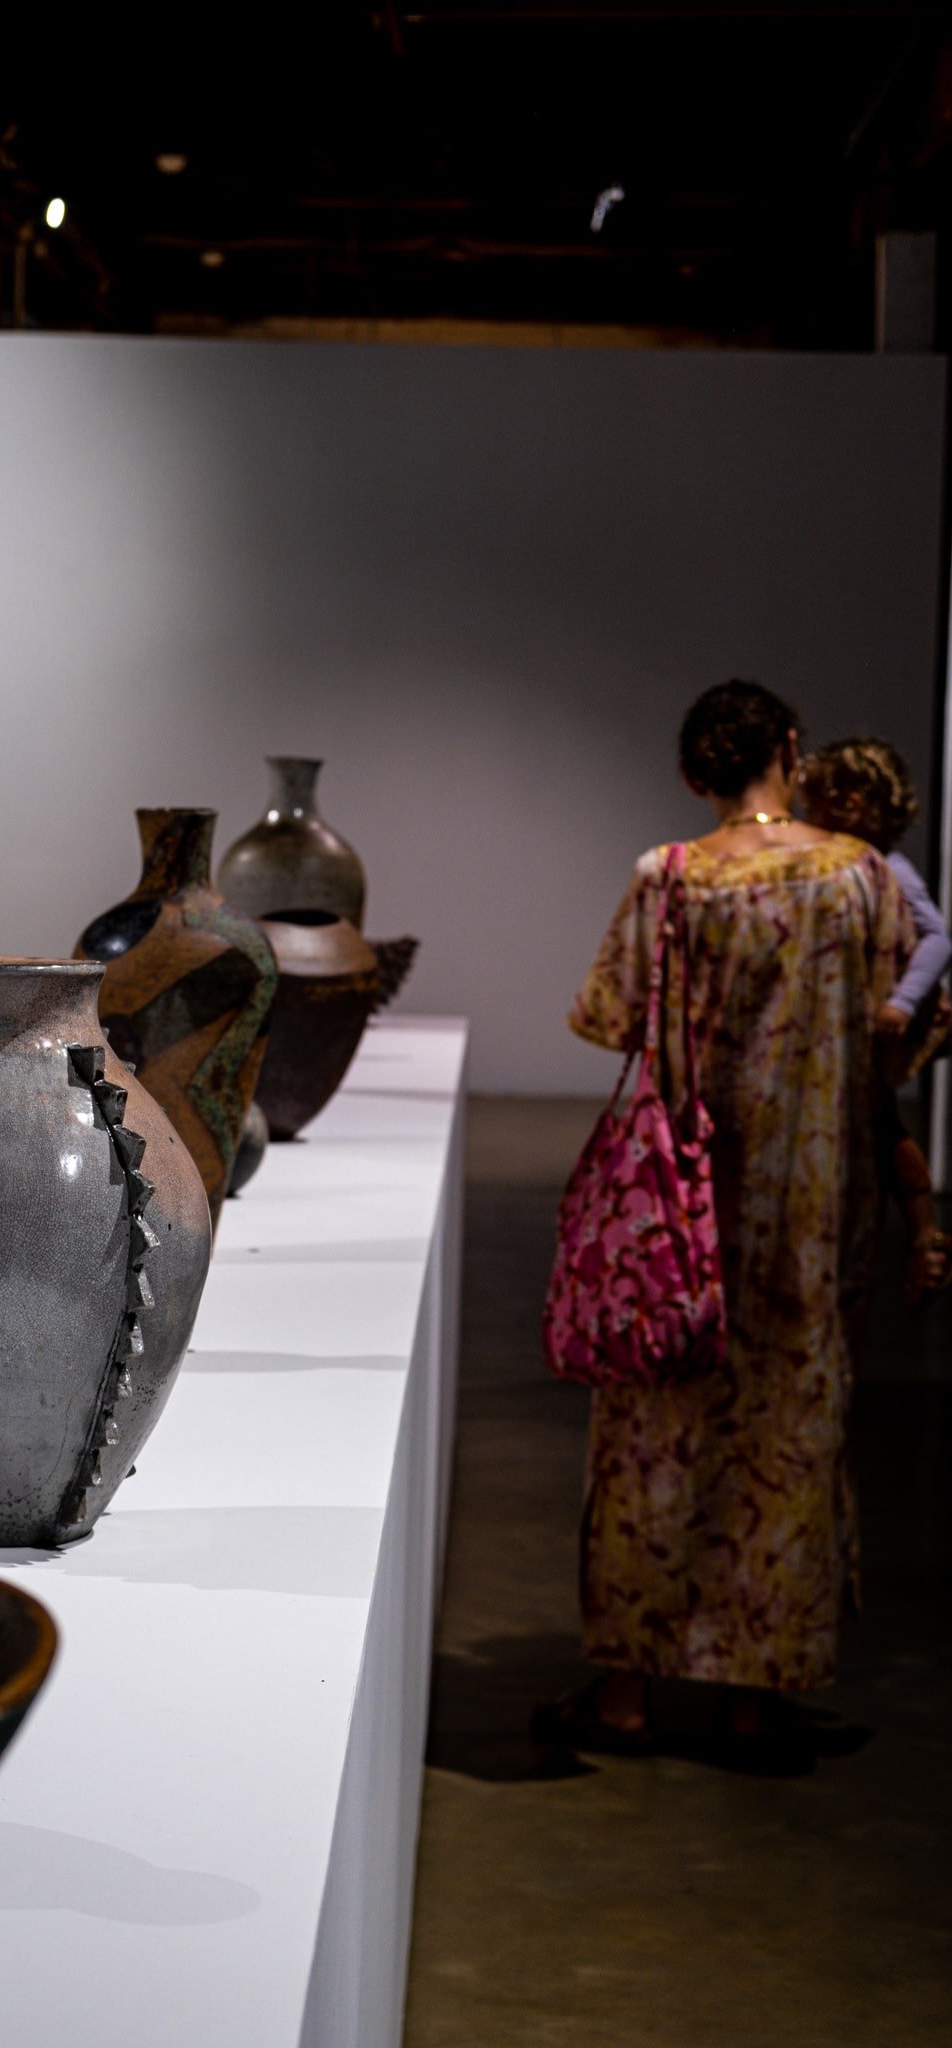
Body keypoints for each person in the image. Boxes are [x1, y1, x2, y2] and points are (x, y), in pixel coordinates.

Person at [550, 680, 914, 1770]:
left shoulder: (669, 877)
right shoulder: (853, 876)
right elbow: (902, 1009)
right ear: (791, 752)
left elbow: (606, 1016)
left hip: (681, 1201)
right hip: (807, 1205)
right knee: (787, 1431)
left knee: (655, 1427)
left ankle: (625, 1688)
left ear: (691, 774)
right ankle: (755, 1699)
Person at [800, 736, 952, 1304]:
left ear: (852, 804)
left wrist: (904, 1000)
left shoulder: (890, 869)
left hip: (881, 1024)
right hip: (855, 1025)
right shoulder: (851, 869)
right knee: (877, 1124)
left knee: (883, 1123)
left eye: (818, 805)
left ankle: (924, 1236)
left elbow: (937, 937)